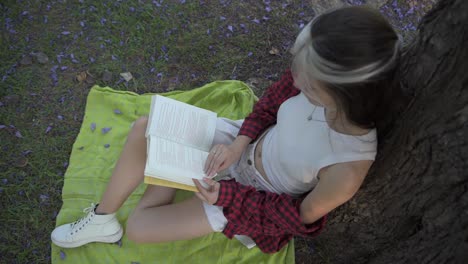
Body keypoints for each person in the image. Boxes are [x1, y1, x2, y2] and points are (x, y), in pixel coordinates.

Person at [51, 6, 402, 253]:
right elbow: (268, 106)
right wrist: (239, 143)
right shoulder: (309, 76)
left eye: (309, 85)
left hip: (251, 194)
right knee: (145, 127)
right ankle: (102, 218)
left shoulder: (349, 165)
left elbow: (297, 218)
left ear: (346, 95)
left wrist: (227, 197)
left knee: (140, 230)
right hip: (239, 148)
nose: (295, 80)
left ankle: (167, 176)